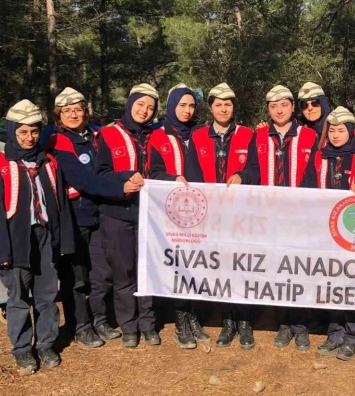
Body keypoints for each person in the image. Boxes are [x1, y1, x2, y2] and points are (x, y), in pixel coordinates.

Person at [44, 87, 143, 347]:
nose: (73, 115)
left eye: (78, 109)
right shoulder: (58, 141)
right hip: (73, 218)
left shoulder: (97, 135)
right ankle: (81, 326)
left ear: (86, 111)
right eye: (67, 111)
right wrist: (121, 188)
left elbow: (110, 167)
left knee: (102, 274)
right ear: (58, 115)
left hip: (100, 213)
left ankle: (100, 319)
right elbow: (85, 180)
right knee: (76, 277)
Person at [0, 100, 75, 374]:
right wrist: (0, 251)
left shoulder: (49, 163)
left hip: (44, 236)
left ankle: (46, 343)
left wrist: (63, 241)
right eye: (22, 132)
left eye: (34, 131)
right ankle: (22, 348)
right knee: (19, 296)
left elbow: (60, 204)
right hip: (16, 239)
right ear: (12, 131)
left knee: (47, 293)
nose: (29, 138)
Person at [236, 85, 317, 350]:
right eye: (273, 106)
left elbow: (316, 173)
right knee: (279, 271)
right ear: (268, 110)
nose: (279, 110)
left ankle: (301, 325)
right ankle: (284, 323)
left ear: (293, 107)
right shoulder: (259, 135)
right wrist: (240, 176)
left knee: (298, 270)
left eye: (284, 105)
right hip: (269, 216)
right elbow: (253, 169)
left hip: (299, 217)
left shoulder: (309, 135)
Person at [184, 82, 256, 349]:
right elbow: (192, 174)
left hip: (241, 214)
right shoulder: (198, 136)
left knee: (243, 266)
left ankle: (245, 322)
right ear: (211, 107)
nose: (223, 109)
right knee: (223, 268)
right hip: (212, 215)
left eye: (228, 104)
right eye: (218, 104)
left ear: (233, 107)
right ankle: (227, 321)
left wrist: (243, 175)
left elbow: (256, 169)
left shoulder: (248, 135)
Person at [299, 106, 355, 359]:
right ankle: (334, 333)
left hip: (354, 233)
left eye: (341, 130)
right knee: (332, 283)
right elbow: (307, 188)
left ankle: (353, 335)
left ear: (351, 131)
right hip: (326, 232)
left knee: (353, 283)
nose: (336, 135)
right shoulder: (319, 157)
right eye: (331, 130)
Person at [149, 83, 211, 349]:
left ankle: (194, 316)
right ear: (172, 105)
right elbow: (153, 170)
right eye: (182, 105)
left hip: (201, 209)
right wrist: (172, 179)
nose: (187, 110)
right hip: (171, 210)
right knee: (178, 265)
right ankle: (180, 321)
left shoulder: (201, 133)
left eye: (191, 106)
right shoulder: (158, 135)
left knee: (195, 265)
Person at [94, 83, 156, 349]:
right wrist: (123, 182)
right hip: (117, 214)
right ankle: (129, 325)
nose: (144, 111)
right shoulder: (108, 134)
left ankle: (148, 324)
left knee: (147, 271)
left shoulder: (156, 135)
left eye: (150, 107)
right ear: (130, 104)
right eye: (140, 104)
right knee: (124, 272)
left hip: (149, 215)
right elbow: (99, 175)